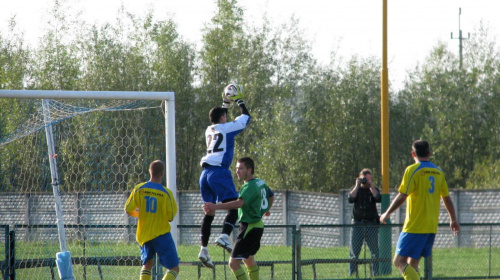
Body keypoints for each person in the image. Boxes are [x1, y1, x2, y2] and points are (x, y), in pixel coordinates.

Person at [380, 140, 460, 280]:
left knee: (398, 261)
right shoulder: (438, 172)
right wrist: (453, 219)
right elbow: (446, 198)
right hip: (430, 226)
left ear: (412, 154)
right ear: (429, 153)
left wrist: (387, 213)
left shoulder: (412, 170)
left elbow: (402, 195)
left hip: (414, 225)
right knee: (412, 264)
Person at [198, 84, 251, 268]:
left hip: (204, 173)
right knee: (235, 206)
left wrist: (224, 103)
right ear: (222, 118)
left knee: (209, 211)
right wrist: (239, 100)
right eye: (225, 116)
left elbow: (221, 118)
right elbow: (246, 118)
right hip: (219, 172)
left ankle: (203, 249)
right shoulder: (226, 128)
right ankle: (224, 236)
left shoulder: (209, 129)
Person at [203, 157, 274, 280]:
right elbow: (271, 195)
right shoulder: (260, 182)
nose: (237, 171)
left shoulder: (249, 187)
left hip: (249, 227)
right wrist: (267, 209)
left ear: (249, 170)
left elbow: (238, 204)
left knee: (233, 263)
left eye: (241, 168)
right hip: (257, 226)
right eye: (236, 168)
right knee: (248, 259)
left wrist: (215, 206)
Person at [124, 160, 179, 280]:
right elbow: (170, 218)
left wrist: (141, 214)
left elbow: (128, 209)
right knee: (174, 268)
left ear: (150, 171)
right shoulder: (166, 194)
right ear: (162, 173)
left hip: (144, 234)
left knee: (147, 265)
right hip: (161, 234)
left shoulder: (139, 189)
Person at [347, 168, 381, 276]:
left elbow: (378, 198)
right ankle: (352, 274)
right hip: (357, 224)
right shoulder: (356, 189)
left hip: (371, 224)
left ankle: (375, 275)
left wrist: (371, 186)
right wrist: (357, 185)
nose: (366, 181)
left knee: (375, 252)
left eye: (368, 179)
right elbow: (350, 199)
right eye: (364, 179)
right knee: (354, 253)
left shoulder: (373, 189)